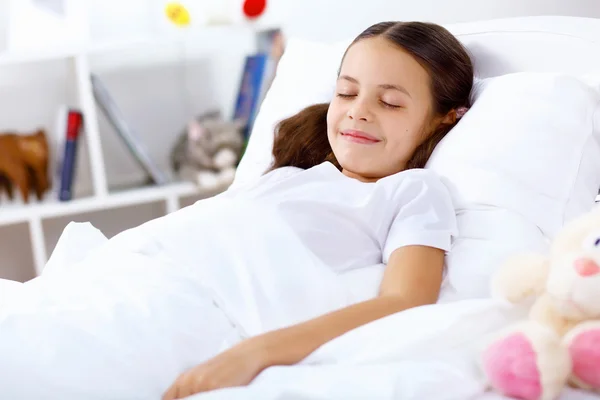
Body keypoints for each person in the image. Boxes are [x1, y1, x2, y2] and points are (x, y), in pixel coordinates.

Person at [160, 20, 474, 399]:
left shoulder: (412, 191)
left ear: (447, 116)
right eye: (346, 93)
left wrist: (254, 354)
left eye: (389, 101)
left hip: (197, 325)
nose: (358, 112)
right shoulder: (287, 178)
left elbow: (405, 302)